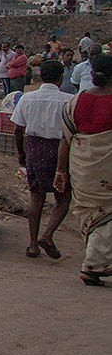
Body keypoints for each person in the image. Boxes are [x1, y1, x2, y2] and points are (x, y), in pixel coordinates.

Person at [55, 54, 112, 286]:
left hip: (82, 169)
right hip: (107, 169)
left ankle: (96, 261)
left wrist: (61, 172)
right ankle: (93, 265)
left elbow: (65, 140)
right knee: (106, 215)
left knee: (91, 214)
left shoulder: (74, 102)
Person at [12, 60, 73, 260]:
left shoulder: (27, 99)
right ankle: (47, 234)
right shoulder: (69, 100)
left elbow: (18, 129)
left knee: (36, 196)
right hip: (61, 149)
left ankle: (32, 244)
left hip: (35, 148)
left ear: (40, 76)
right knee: (63, 197)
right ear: (60, 78)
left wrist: (21, 152)